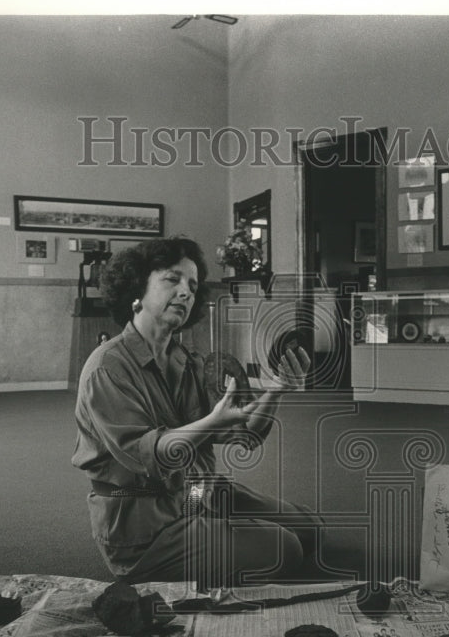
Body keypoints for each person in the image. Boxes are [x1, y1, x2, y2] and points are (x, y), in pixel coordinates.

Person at [72, 236, 322, 588]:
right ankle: (147, 564)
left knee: (309, 529)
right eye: (172, 280)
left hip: (191, 495)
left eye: (192, 284)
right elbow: (151, 454)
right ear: (136, 290)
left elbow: (245, 432)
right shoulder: (107, 368)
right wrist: (209, 423)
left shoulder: (185, 360)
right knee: (286, 549)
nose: (186, 292)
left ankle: (207, 522)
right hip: (144, 527)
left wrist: (277, 389)